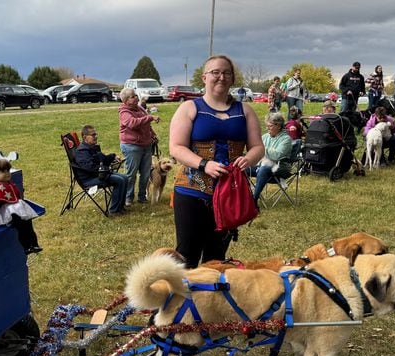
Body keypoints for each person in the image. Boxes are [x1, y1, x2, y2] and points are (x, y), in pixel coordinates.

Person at [168, 54, 264, 268]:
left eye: (226, 73)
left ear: (232, 79)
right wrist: (204, 164)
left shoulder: (244, 111)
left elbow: (258, 147)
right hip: (192, 191)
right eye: (215, 72)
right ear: (204, 77)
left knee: (217, 257)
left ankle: (210, 300)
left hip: (230, 193)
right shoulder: (190, 108)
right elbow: (176, 147)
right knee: (187, 254)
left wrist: (247, 159)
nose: (221, 77)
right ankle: (182, 300)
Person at [0, 159, 42, 254]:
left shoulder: (9, 184)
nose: (7, 173)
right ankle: (26, 247)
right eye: (3, 171)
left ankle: (34, 244)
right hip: (9, 212)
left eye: (8, 170)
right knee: (21, 228)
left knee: (29, 226)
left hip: (20, 209)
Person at [74, 125, 129, 216]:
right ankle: (114, 211)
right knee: (119, 180)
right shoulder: (82, 151)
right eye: (93, 135)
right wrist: (106, 170)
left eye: (96, 134)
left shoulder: (91, 147)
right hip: (89, 180)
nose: (96, 136)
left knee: (125, 177)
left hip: (98, 175)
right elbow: (90, 168)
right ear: (85, 137)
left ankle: (120, 207)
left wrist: (112, 156)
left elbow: (102, 159)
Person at [119, 87, 160, 206]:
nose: (136, 97)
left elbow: (146, 124)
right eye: (133, 96)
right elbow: (132, 123)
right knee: (131, 173)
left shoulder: (140, 108)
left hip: (146, 144)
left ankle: (142, 197)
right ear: (126, 101)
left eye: (136, 95)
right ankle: (128, 198)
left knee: (146, 173)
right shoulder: (124, 112)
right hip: (131, 146)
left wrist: (152, 134)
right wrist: (150, 117)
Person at [253, 112, 293, 201]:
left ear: (278, 126)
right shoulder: (265, 137)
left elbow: (276, 155)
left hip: (281, 168)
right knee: (241, 167)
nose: (267, 128)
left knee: (264, 168)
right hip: (263, 164)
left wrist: (262, 148)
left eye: (270, 126)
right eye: (267, 125)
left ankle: (253, 200)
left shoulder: (286, 139)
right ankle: (242, 196)